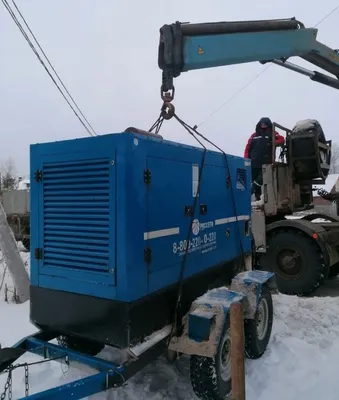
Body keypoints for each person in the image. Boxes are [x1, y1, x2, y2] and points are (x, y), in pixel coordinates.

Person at [244, 117, 285, 200]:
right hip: (254, 161)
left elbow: (281, 139)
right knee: (252, 180)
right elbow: (248, 147)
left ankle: (253, 191)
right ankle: (257, 197)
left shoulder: (273, 133)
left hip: (266, 161)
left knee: (260, 180)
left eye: (265, 123)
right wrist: (246, 158)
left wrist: (274, 142)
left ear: (268, 124)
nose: (263, 125)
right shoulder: (254, 135)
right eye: (262, 123)